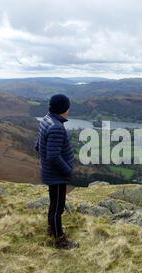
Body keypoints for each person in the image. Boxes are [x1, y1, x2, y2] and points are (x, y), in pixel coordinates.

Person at [35, 94, 79, 250]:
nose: (69, 110)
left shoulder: (46, 120)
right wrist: (67, 171)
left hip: (50, 172)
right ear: (63, 109)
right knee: (58, 207)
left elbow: (38, 145)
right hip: (57, 175)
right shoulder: (57, 127)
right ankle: (60, 240)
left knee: (54, 204)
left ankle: (51, 228)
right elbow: (53, 156)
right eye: (67, 107)